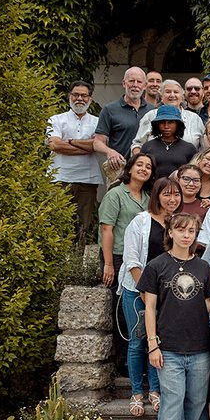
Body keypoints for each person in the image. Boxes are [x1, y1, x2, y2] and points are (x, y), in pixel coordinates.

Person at [138, 212, 210, 420]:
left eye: (191, 231)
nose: (186, 235)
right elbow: (150, 308)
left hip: (199, 346)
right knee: (173, 399)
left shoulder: (202, 267)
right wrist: (152, 344)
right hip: (168, 346)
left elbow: (205, 305)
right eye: (181, 230)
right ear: (170, 232)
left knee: (195, 401)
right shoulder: (157, 265)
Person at [119, 177, 182, 418]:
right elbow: (132, 260)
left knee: (158, 342)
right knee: (137, 342)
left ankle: (155, 390)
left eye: (176, 194)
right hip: (137, 291)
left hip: (167, 294)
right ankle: (136, 393)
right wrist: (145, 291)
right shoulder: (141, 222)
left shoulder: (178, 223)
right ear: (156, 196)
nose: (172, 199)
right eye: (166, 194)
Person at [45, 80, 101, 247]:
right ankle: (57, 266)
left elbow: (97, 146)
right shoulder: (56, 119)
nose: (80, 99)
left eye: (84, 95)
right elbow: (54, 144)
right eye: (76, 95)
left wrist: (68, 142)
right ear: (69, 96)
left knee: (83, 227)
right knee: (57, 225)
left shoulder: (97, 122)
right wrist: (85, 146)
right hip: (59, 178)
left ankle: (76, 267)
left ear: (90, 99)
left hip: (88, 180)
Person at [99, 154, 156, 290]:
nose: (144, 169)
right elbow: (106, 229)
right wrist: (108, 264)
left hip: (139, 255)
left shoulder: (149, 199)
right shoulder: (115, 194)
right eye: (139, 164)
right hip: (117, 254)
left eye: (148, 167)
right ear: (129, 169)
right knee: (117, 296)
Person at [94, 67, 152, 175]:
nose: (135, 85)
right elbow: (97, 142)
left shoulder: (153, 110)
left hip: (146, 169)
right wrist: (110, 152)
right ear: (124, 83)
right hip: (119, 167)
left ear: (144, 86)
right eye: (131, 81)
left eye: (139, 82)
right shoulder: (109, 110)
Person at [131, 80, 205, 152]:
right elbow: (137, 145)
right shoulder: (150, 116)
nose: (172, 95)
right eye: (168, 92)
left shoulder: (194, 118)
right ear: (161, 97)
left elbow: (203, 147)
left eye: (176, 92)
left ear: (182, 97)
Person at [139, 105, 197, 179]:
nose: (166, 126)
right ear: (157, 124)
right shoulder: (147, 146)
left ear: (178, 124)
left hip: (178, 189)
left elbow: (194, 173)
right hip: (151, 189)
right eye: (162, 122)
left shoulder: (189, 148)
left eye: (170, 122)